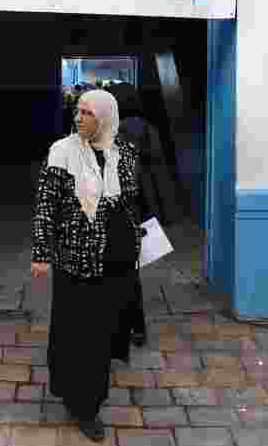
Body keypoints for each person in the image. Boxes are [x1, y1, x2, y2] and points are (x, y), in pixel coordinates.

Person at [31, 90, 142, 442]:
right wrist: (40, 253)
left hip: (117, 255)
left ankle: (88, 394)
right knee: (76, 331)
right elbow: (46, 205)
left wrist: (139, 242)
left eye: (87, 113)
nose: (78, 118)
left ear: (106, 117)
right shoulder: (62, 151)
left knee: (102, 331)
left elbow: (131, 200)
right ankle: (83, 405)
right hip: (76, 257)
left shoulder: (124, 151)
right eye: (76, 112)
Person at [106, 82, 181, 347]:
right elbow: (159, 171)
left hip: (118, 208)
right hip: (142, 207)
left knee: (111, 270)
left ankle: (116, 326)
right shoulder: (151, 129)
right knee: (130, 272)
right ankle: (137, 327)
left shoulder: (113, 132)